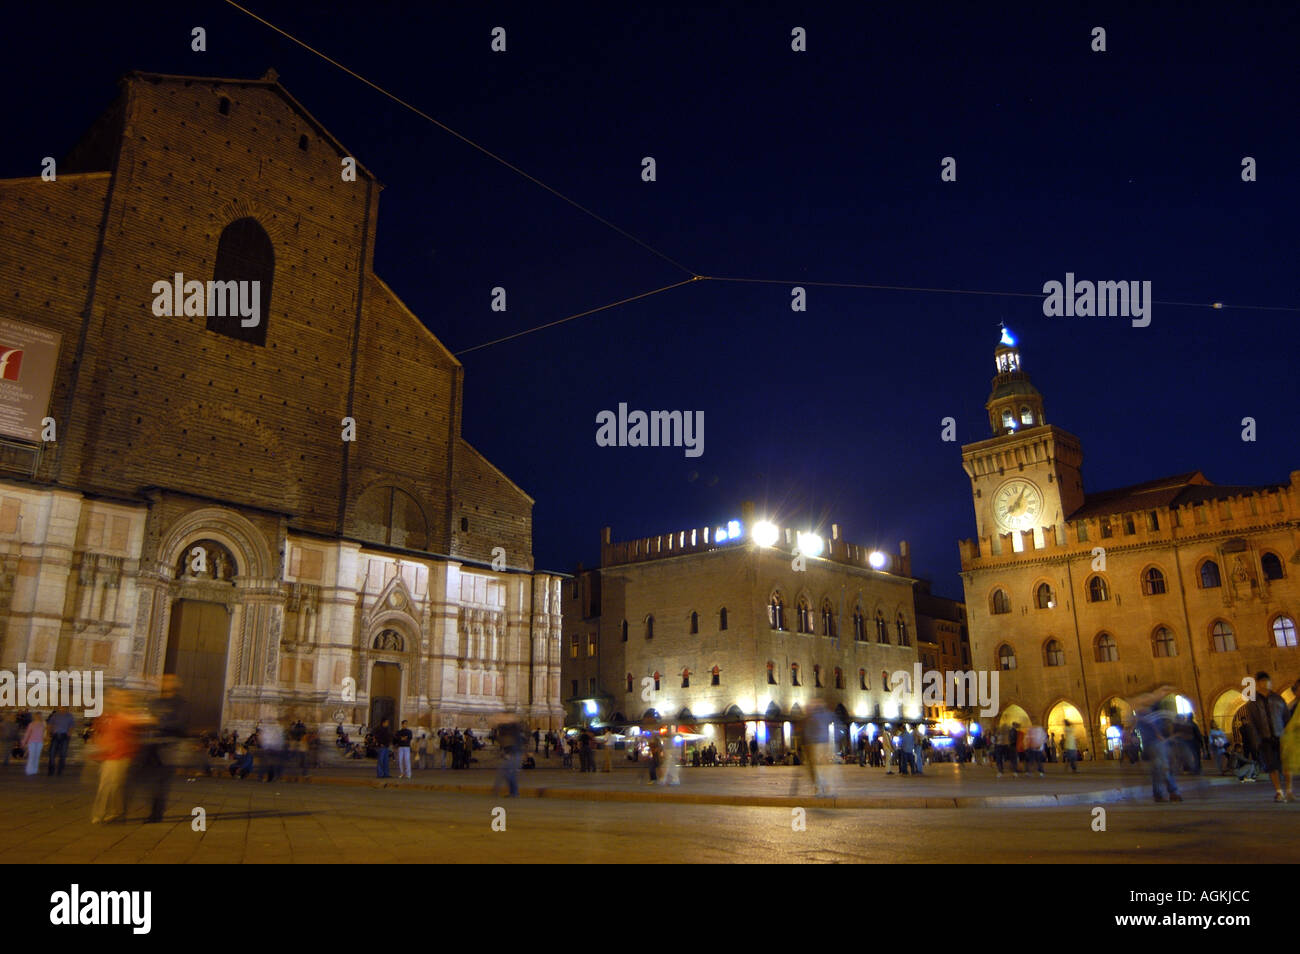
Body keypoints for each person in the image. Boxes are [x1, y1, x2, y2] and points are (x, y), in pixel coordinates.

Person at [1240, 672, 1295, 802]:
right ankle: (1279, 792)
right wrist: (1256, 742)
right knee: (1272, 767)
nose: (1265, 684)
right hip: (1265, 739)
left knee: (1287, 765)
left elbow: (1286, 718)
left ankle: (1289, 791)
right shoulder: (1252, 702)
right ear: (1257, 684)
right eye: (1262, 682)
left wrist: (1289, 735)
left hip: (1281, 736)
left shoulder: (1278, 699)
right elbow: (1252, 724)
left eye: (1267, 681)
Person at [90, 692, 144, 823]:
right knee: (108, 785)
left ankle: (110, 812)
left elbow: (137, 730)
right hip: (109, 754)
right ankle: (104, 812)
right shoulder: (108, 716)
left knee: (113, 785)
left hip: (121, 754)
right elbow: (98, 731)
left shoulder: (128, 716)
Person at [1131, 686, 1182, 803]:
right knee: (1163, 768)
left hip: (1154, 744)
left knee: (1157, 769)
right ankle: (1172, 792)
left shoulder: (1146, 714)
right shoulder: (1145, 714)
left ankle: (1159, 793)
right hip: (1155, 744)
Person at [492, 717, 524, 797]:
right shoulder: (512, 736)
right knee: (508, 773)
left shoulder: (513, 735)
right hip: (512, 756)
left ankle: (513, 792)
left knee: (508, 774)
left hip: (514, 756)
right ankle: (513, 792)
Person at [46, 707, 76, 777]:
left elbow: (72, 726)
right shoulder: (55, 715)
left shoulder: (69, 716)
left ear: (66, 708)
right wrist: (48, 734)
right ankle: (51, 769)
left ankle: (60, 770)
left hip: (64, 736)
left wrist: (69, 734)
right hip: (55, 736)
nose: (62, 709)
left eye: (63, 708)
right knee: (51, 753)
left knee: (63, 754)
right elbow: (50, 724)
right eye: (61, 708)